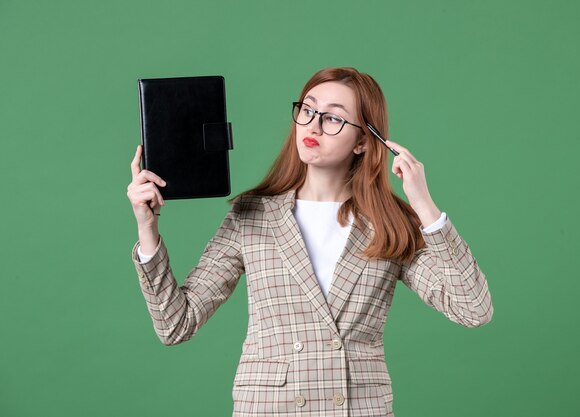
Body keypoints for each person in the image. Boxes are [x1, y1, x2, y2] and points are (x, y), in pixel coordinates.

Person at [127, 67, 493, 417]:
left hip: (357, 408)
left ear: (364, 141)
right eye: (307, 109)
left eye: (333, 117)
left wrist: (424, 206)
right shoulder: (252, 214)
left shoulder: (390, 223)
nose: (313, 124)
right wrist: (147, 228)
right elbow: (176, 324)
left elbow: (473, 310)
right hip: (270, 409)